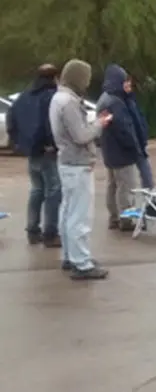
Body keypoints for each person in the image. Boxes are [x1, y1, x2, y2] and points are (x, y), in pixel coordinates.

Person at [49, 59, 113, 280]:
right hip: (77, 164)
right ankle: (82, 263)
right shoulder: (69, 103)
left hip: (66, 161)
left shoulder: (58, 98)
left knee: (67, 212)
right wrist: (100, 124)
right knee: (80, 216)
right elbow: (81, 135)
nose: (86, 84)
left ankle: (70, 256)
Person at [6, 64, 62, 247]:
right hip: (47, 151)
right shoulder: (50, 96)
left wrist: (18, 142)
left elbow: (11, 119)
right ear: (54, 78)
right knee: (53, 191)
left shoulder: (24, 96)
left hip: (31, 151)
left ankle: (32, 230)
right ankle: (50, 232)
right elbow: (50, 123)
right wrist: (52, 144)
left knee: (37, 189)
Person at [97, 64, 143, 231]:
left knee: (113, 185)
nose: (127, 85)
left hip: (109, 151)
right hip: (121, 152)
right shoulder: (116, 102)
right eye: (125, 82)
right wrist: (134, 147)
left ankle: (114, 217)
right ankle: (126, 219)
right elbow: (123, 128)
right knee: (126, 186)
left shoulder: (104, 99)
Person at [124, 83, 154, 189]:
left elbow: (139, 120)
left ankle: (149, 195)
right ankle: (148, 194)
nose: (129, 86)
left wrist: (144, 135)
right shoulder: (122, 103)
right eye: (126, 84)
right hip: (133, 143)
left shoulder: (132, 100)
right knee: (141, 172)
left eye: (129, 84)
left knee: (146, 173)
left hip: (139, 142)